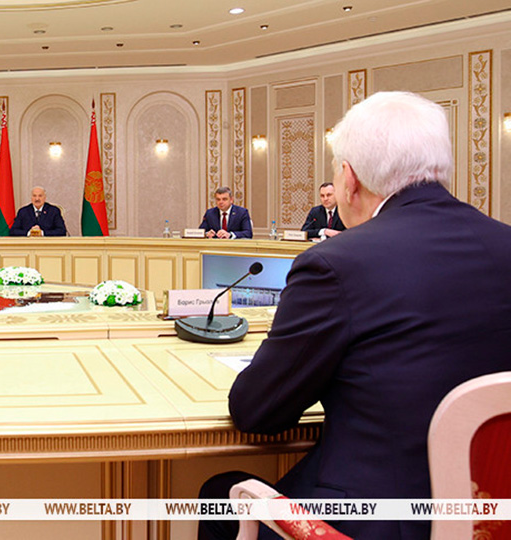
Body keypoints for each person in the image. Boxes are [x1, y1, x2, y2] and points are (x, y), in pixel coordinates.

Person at [198, 91, 511, 540]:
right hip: (494, 514)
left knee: (219, 495)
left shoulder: (335, 264)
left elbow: (256, 411)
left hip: (378, 520)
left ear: (349, 179)